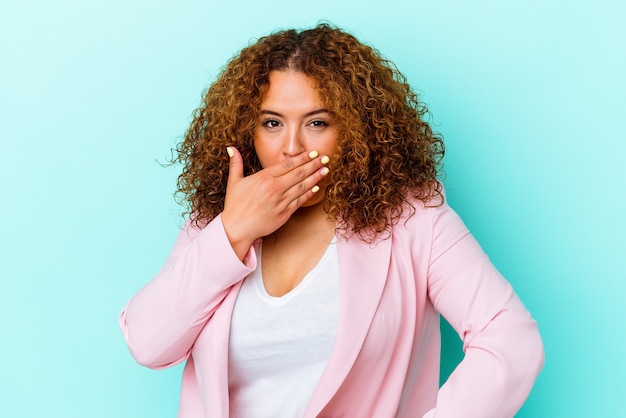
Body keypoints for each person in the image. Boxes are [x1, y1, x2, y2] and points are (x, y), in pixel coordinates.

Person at [119, 23, 544, 418]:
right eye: (272, 123)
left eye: (317, 123)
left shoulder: (414, 219)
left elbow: (510, 339)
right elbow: (148, 343)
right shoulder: (217, 220)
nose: (291, 147)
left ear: (357, 131)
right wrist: (233, 231)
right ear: (248, 131)